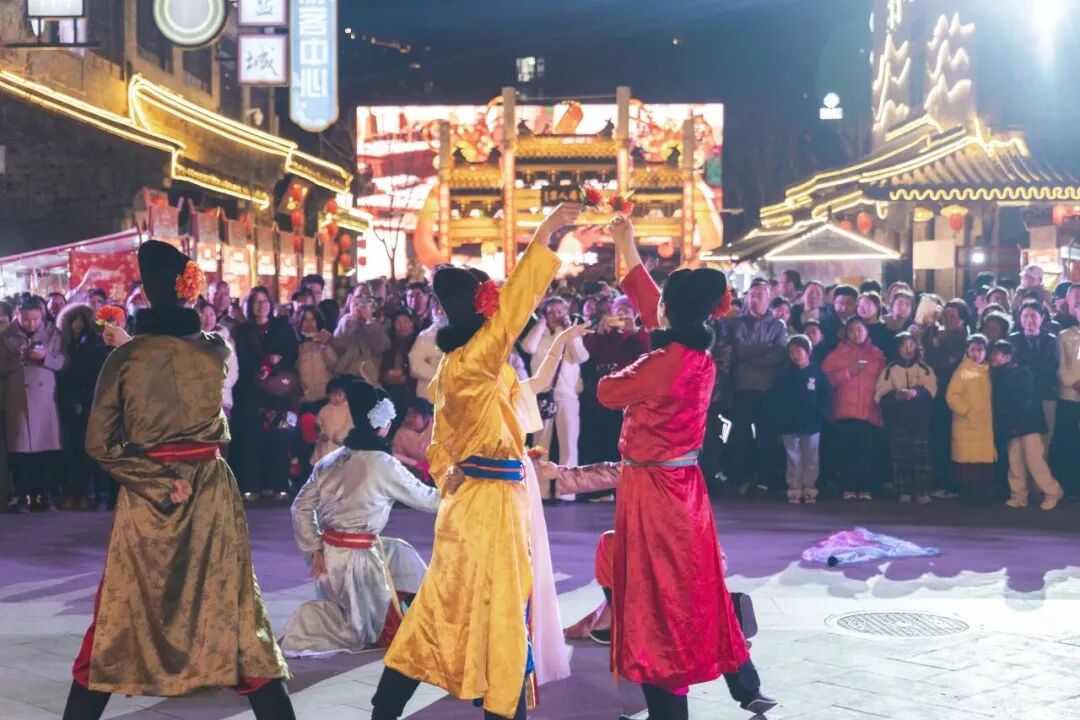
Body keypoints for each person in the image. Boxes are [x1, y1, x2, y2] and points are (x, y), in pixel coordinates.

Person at [61, 240, 294, 720]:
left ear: (145, 290)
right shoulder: (215, 349)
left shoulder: (124, 359)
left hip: (148, 499)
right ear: (189, 288)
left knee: (120, 614)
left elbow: (98, 444)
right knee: (236, 613)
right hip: (211, 490)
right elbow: (176, 356)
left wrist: (157, 482)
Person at [370, 203, 576, 720]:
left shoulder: (454, 366)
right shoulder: (480, 357)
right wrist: (546, 231)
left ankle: (385, 708)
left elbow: (441, 446)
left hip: (472, 503)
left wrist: (452, 476)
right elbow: (519, 304)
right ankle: (501, 708)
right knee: (499, 612)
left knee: (444, 607)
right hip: (490, 508)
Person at [603, 215, 775, 719]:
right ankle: (743, 680)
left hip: (653, 490)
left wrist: (622, 361)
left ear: (672, 312)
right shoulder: (695, 350)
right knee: (698, 585)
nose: (654, 305)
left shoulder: (665, 361)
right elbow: (648, 300)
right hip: (684, 488)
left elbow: (608, 391)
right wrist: (625, 242)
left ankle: (669, 706)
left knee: (658, 597)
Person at [280, 378, 440, 657]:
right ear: (381, 422)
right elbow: (428, 499)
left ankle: (413, 611)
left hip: (329, 558)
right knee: (361, 631)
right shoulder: (383, 463)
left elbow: (300, 507)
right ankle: (312, 622)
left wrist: (315, 548)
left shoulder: (330, 460)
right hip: (358, 564)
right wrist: (463, 486)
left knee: (398, 551)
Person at [232, 286, 300, 503]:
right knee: (251, 439)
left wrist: (276, 363)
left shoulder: (282, 328)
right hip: (250, 392)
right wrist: (259, 366)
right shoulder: (243, 331)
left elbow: (292, 354)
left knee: (279, 436)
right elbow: (240, 358)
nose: (261, 306)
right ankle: (251, 485)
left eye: (264, 302)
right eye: (256, 302)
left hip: (279, 393)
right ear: (250, 306)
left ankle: (278, 484)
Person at [0, 296, 65, 512]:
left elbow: (62, 362)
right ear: (17, 316)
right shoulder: (6, 336)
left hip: (45, 399)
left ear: (42, 316)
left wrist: (45, 357)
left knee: (45, 449)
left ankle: (43, 495)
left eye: (36, 319)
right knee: (20, 450)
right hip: (18, 398)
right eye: (26, 319)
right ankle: (23, 496)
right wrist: (19, 358)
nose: (31, 324)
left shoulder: (53, 333)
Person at [521, 295, 590, 498]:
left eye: (560, 311)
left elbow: (581, 357)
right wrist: (541, 324)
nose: (555, 315)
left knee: (568, 444)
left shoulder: (570, 334)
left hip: (567, 395)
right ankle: (540, 491)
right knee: (540, 445)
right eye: (550, 311)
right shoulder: (539, 333)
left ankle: (566, 492)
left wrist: (570, 333)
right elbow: (528, 347)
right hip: (542, 395)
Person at [726, 278, 788, 498]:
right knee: (740, 435)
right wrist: (762, 350)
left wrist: (749, 356)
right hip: (742, 387)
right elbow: (736, 352)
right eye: (751, 295)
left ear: (768, 299)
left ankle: (764, 479)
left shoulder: (778, 325)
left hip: (768, 388)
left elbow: (778, 355)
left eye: (760, 296)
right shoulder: (735, 324)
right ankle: (740, 478)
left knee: (767, 436)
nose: (755, 300)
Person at [989, 340, 1064, 510]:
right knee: (1015, 462)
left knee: (1034, 461)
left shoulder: (1021, 373)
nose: (991, 357)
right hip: (1012, 425)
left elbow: (1025, 400)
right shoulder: (999, 375)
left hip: (1028, 424)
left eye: (995, 354)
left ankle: (1053, 491)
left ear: (1007, 356)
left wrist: (1015, 422)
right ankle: (1019, 495)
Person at [580, 295, 650, 466]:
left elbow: (648, 353)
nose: (622, 314)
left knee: (621, 444)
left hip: (627, 399)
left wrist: (634, 332)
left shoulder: (640, 335)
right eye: (618, 310)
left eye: (626, 311)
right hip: (601, 397)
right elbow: (588, 354)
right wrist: (600, 333)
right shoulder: (604, 334)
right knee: (599, 443)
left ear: (634, 314)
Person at [822, 316, 886, 501]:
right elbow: (825, 381)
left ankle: (866, 487)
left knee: (867, 451)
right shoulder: (837, 354)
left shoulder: (877, 355)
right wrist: (848, 373)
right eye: (851, 330)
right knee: (847, 451)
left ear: (866, 331)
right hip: (845, 412)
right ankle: (848, 487)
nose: (856, 334)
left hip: (869, 411)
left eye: (859, 329)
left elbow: (884, 382)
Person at [56, 303, 113, 511]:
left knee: (86, 450)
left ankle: (88, 494)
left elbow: (93, 374)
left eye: (82, 320)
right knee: (70, 450)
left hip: (88, 401)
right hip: (67, 402)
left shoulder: (94, 344)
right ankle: (73, 492)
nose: (78, 324)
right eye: (74, 319)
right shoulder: (65, 344)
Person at [875, 333, 937, 504]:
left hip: (919, 419)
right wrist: (896, 396)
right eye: (903, 345)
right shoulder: (889, 370)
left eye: (911, 345)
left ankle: (923, 490)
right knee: (900, 456)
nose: (907, 349)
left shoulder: (925, 368)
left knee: (921, 456)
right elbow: (880, 394)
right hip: (898, 420)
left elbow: (931, 391)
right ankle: (903, 490)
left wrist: (916, 393)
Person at [771, 335, 831, 504]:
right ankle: (794, 487)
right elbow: (777, 398)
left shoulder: (817, 373)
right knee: (793, 457)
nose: (795, 355)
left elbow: (825, 396)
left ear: (808, 351)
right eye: (791, 352)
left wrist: (821, 414)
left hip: (811, 423)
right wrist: (780, 417)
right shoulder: (784, 374)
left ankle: (809, 487)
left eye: (798, 351)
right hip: (789, 423)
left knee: (811, 457)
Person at [946, 335, 996, 504]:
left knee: (983, 463)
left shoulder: (989, 371)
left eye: (980, 350)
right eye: (973, 349)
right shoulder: (961, 372)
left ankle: (983, 495)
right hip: (967, 424)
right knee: (968, 463)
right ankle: (969, 495)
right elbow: (952, 396)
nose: (976, 354)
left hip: (986, 425)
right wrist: (967, 411)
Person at [1008, 301, 1060, 455]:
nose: (1029, 320)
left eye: (1033, 316)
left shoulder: (1051, 340)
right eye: (1025, 316)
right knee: (1020, 445)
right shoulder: (1012, 340)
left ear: (1042, 318)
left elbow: (1052, 366)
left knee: (1044, 441)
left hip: (1045, 394)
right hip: (1021, 397)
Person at [333, 287, 390, 387]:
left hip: (370, 376)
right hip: (346, 375)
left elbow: (382, 347)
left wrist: (369, 321)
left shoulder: (379, 323)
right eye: (359, 297)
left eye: (366, 298)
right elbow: (338, 345)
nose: (361, 302)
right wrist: (352, 320)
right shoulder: (344, 321)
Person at [1052, 298, 1080, 497]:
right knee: (1070, 441)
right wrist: (1074, 382)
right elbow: (1060, 364)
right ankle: (1071, 485)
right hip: (1069, 395)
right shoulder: (1064, 336)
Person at [294, 305, 337, 412]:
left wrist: (325, 346)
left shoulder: (326, 339)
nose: (309, 323)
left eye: (312, 319)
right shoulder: (294, 343)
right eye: (305, 319)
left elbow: (334, 365)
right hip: (304, 400)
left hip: (325, 397)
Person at [381, 311, 419, 425]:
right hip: (390, 387)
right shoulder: (389, 341)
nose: (402, 326)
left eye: (405, 322)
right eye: (398, 322)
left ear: (412, 323)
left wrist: (406, 377)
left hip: (411, 388)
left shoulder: (418, 341)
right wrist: (386, 375)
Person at [409, 298, 446, 402]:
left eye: (443, 308)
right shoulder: (425, 335)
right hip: (429, 396)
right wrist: (441, 375)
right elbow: (415, 365)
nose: (440, 312)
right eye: (436, 307)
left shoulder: (463, 334)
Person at [312, 378, 354, 465]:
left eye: (340, 395)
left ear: (345, 395)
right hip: (326, 443)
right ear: (328, 395)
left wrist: (342, 436)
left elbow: (350, 424)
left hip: (341, 443)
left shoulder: (348, 409)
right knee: (324, 464)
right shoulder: (325, 409)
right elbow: (318, 422)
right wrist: (321, 433)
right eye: (333, 395)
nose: (336, 398)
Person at [392, 398, 434, 482]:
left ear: (427, 417)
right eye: (408, 415)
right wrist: (416, 465)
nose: (410, 419)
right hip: (414, 477)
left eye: (415, 416)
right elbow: (397, 456)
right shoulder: (401, 433)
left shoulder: (439, 430)